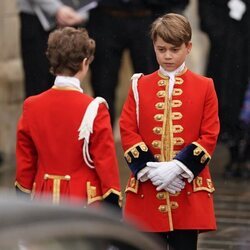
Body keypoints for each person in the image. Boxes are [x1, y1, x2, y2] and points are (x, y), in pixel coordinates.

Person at [119, 13, 220, 250]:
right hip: (147, 189)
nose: (167, 56)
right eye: (161, 49)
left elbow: (210, 134)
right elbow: (127, 129)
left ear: (188, 48)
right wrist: (150, 170)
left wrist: (177, 168)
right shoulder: (138, 85)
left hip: (188, 190)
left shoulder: (205, 86)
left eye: (174, 49)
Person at [15, 27, 122, 208]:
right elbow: (106, 164)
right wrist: (114, 207)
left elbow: (26, 164)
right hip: (83, 203)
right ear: (84, 63)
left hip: (42, 200)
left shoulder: (31, 105)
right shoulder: (95, 109)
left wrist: (23, 200)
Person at [87, 0, 190, 125]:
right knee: (103, 85)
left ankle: (153, 135)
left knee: (153, 86)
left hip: (148, 17)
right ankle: (103, 137)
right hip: (105, 17)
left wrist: (173, 13)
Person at [198, 0, 249, 177]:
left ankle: (245, 157)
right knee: (228, 103)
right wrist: (222, 33)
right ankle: (234, 154)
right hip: (227, 54)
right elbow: (207, 13)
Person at [16, 0, 86, 97]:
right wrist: (57, 9)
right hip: (36, 20)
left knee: (66, 88)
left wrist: (82, 12)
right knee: (38, 88)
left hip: (69, 18)